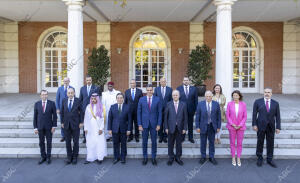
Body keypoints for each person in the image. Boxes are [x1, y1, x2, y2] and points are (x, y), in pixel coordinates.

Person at [252, 87, 281, 168]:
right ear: (263, 93)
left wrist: (278, 127)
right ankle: (259, 157)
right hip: (260, 125)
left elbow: (278, 116)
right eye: (265, 92)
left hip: (271, 126)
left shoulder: (276, 103)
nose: (267, 94)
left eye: (268, 92)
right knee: (260, 142)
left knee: (270, 143)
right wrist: (254, 124)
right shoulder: (258, 102)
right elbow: (254, 114)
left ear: (271, 94)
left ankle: (269, 159)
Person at [138, 84, 162, 166]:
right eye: (148, 90)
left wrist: (159, 124)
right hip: (144, 125)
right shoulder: (141, 99)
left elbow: (160, 113)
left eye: (150, 90)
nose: (149, 91)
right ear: (146, 91)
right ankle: (145, 157)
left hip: (154, 125)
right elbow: (139, 113)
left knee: (154, 142)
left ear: (153, 90)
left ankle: (153, 157)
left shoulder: (157, 99)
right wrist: (139, 124)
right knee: (144, 142)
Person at [196, 90, 221, 165]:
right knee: (203, 142)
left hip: (212, 127)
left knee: (211, 143)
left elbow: (218, 117)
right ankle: (203, 157)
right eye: (207, 96)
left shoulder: (216, 104)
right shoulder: (200, 104)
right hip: (203, 126)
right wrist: (197, 126)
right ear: (205, 96)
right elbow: (197, 116)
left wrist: (218, 126)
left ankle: (211, 157)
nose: (208, 97)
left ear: (212, 96)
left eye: (210, 96)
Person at [33, 90, 57, 165]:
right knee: (41, 142)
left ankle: (48, 157)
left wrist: (54, 126)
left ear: (47, 95)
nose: (44, 96)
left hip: (49, 127)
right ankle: (43, 156)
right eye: (43, 94)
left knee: (49, 142)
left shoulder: (52, 103)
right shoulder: (37, 104)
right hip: (40, 127)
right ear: (40, 95)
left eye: (46, 94)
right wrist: (35, 127)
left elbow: (55, 116)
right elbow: (35, 117)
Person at [164, 90, 188, 166]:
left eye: (176, 95)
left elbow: (185, 117)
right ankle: (171, 157)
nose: (175, 96)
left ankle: (178, 157)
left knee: (179, 144)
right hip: (170, 127)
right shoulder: (168, 104)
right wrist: (166, 128)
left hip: (180, 128)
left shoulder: (183, 104)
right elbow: (165, 117)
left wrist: (185, 128)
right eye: (174, 95)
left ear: (179, 96)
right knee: (170, 143)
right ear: (172, 96)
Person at [108, 93, 132, 164]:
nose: (119, 99)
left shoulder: (127, 107)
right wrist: (109, 129)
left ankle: (123, 157)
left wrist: (129, 129)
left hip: (124, 129)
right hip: (115, 129)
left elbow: (130, 119)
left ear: (123, 99)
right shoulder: (112, 107)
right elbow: (110, 119)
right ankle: (116, 157)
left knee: (123, 144)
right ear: (116, 99)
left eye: (121, 98)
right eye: (118, 98)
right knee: (115, 144)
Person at [61, 88, 83, 165]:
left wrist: (81, 122)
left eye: (72, 93)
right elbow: (62, 112)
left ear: (74, 93)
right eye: (69, 93)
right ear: (67, 94)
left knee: (76, 142)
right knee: (67, 142)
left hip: (76, 124)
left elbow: (81, 112)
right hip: (66, 124)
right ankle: (69, 157)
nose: (70, 94)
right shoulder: (64, 100)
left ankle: (75, 157)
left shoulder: (78, 100)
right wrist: (62, 122)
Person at [84, 93, 107, 164]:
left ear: (97, 99)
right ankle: (90, 157)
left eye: (95, 99)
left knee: (99, 142)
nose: (93, 100)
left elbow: (103, 119)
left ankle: (99, 158)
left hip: (98, 127)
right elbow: (86, 118)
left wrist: (101, 129)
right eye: (92, 99)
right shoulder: (88, 107)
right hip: (90, 127)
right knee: (90, 142)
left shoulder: (102, 107)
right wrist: (86, 128)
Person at [226, 90, 247, 167]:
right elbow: (227, 115)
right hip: (232, 127)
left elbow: (245, 116)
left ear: (239, 96)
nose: (235, 97)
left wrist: (240, 125)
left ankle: (238, 157)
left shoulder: (243, 104)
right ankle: (233, 158)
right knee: (232, 143)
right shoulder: (229, 104)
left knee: (239, 143)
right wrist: (233, 124)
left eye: (236, 95)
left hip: (241, 127)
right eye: (234, 95)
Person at [79, 75, 101, 143]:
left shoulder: (96, 87)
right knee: (85, 123)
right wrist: (80, 108)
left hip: (93, 108)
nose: (88, 81)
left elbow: (98, 98)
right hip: (84, 109)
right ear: (85, 81)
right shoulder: (82, 88)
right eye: (87, 80)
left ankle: (93, 136)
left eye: (90, 80)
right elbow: (80, 99)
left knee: (93, 122)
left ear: (91, 80)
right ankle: (85, 137)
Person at [176, 77, 198, 143]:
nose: (186, 81)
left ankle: (190, 138)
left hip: (191, 110)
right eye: (184, 80)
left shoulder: (194, 89)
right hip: (181, 110)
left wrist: (196, 109)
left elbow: (196, 100)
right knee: (182, 124)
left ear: (189, 81)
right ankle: (182, 137)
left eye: (187, 80)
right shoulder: (179, 88)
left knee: (190, 124)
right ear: (182, 81)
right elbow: (177, 99)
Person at [154, 77, 172, 143]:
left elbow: (171, 100)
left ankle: (165, 137)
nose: (163, 83)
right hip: (159, 110)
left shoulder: (170, 89)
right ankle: (160, 137)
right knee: (160, 123)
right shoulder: (156, 89)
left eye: (164, 81)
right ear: (160, 82)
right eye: (162, 81)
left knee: (166, 123)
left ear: (166, 82)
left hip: (167, 109)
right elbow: (155, 99)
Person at [56, 77, 74, 142]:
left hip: (70, 109)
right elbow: (57, 99)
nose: (65, 82)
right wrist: (57, 108)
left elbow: (74, 99)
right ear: (63, 82)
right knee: (62, 122)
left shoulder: (72, 88)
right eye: (64, 81)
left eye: (67, 81)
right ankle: (63, 136)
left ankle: (70, 135)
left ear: (69, 81)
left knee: (70, 122)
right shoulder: (60, 89)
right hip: (61, 109)